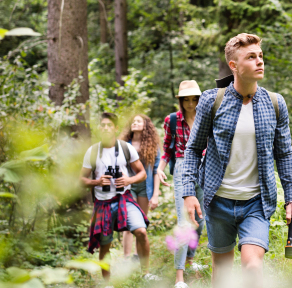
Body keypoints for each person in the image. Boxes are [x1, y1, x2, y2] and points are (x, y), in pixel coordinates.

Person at [182, 33, 292, 288]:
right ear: (234, 66)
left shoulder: (274, 103)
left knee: (252, 267)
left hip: (256, 203)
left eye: (260, 55)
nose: (259, 61)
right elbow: (193, 149)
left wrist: (291, 199)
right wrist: (188, 193)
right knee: (223, 272)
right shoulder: (211, 100)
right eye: (251, 57)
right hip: (218, 201)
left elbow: (284, 154)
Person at [80, 112, 156, 282]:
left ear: (115, 128)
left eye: (109, 125)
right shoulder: (92, 151)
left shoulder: (125, 148)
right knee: (105, 244)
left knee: (142, 232)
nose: (106, 128)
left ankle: (146, 274)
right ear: (99, 129)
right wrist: (97, 182)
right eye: (103, 125)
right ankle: (107, 283)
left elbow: (142, 173)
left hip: (124, 199)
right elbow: (81, 180)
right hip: (103, 203)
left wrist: (128, 179)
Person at [156, 80, 206, 288]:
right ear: (180, 100)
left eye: (194, 99)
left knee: (200, 220)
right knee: (184, 223)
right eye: (187, 99)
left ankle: (190, 258)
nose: (191, 103)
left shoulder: (205, 117)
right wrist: (160, 168)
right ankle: (179, 277)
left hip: (204, 168)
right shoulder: (173, 120)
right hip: (182, 168)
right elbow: (167, 148)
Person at [120, 114, 162, 259]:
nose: (135, 123)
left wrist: (155, 194)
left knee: (140, 221)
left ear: (146, 125)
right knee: (127, 222)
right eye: (133, 121)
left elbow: (157, 170)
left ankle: (137, 256)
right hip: (127, 187)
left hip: (145, 187)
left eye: (138, 121)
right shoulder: (123, 144)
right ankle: (126, 258)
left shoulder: (152, 146)